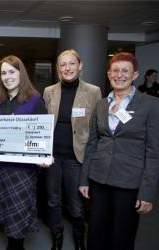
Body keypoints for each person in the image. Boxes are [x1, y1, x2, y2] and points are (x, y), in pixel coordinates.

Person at [79, 52, 159, 250]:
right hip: (99, 179)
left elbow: (154, 152)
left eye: (125, 71)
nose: (120, 75)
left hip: (129, 182)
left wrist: (147, 192)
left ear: (135, 75)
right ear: (108, 74)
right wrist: (84, 179)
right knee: (96, 233)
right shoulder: (101, 105)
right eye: (115, 71)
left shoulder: (150, 105)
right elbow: (92, 143)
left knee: (121, 236)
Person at [0, 55, 47, 250]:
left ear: (21, 74)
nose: (7, 76)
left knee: (18, 211)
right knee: (4, 209)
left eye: (12, 72)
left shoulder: (35, 100)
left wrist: (43, 155)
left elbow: (43, 134)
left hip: (23, 170)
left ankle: (16, 245)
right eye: (3, 73)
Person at [43, 49, 102, 250]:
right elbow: (44, 125)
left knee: (76, 205)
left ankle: (79, 239)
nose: (67, 68)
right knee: (52, 201)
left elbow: (95, 128)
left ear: (80, 65)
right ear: (58, 68)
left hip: (76, 158)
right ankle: (57, 239)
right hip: (52, 157)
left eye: (71, 64)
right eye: (63, 65)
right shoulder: (49, 91)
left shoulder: (93, 92)